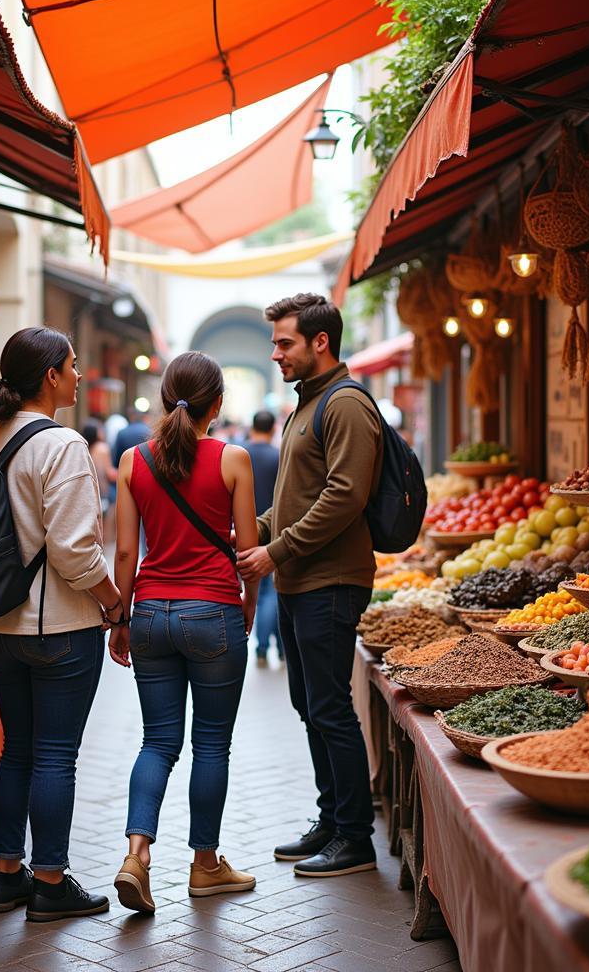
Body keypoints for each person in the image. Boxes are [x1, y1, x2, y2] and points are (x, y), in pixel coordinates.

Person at [0, 327, 129, 923]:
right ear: (49, 377)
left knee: (17, 749)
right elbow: (73, 551)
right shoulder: (61, 445)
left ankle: (6, 876)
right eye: (72, 365)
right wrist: (114, 602)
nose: (79, 375)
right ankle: (49, 881)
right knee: (55, 756)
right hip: (59, 627)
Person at [236, 293, 382, 878]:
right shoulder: (307, 404)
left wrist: (277, 549)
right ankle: (332, 818)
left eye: (284, 342)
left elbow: (345, 495)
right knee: (310, 705)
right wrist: (253, 533)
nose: (275, 353)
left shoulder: (344, 404)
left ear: (320, 341)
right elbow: (294, 501)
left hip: (330, 581)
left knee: (330, 708)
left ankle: (355, 838)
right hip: (302, 582)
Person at [110, 352, 259, 913]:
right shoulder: (234, 460)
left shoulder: (132, 461)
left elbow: (125, 551)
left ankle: (136, 856)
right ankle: (204, 866)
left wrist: (119, 619)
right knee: (211, 744)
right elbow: (247, 554)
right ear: (216, 405)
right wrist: (248, 608)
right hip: (213, 613)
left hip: (150, 614)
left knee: (157, 742)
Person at [243, 410, 282, 667]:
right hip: (272, 528)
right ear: (272, 429)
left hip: (243, 529)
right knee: (270, 591)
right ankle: (270, 647)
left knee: (254, 586)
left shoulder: (238, 453)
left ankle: (265, 647)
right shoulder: (278, 456)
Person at [81, 419, 117, 534]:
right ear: (96, 432)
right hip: (104, 492)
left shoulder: (84, 448)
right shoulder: (102, 448)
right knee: (105, 530)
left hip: (89, 492)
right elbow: (109, 473)